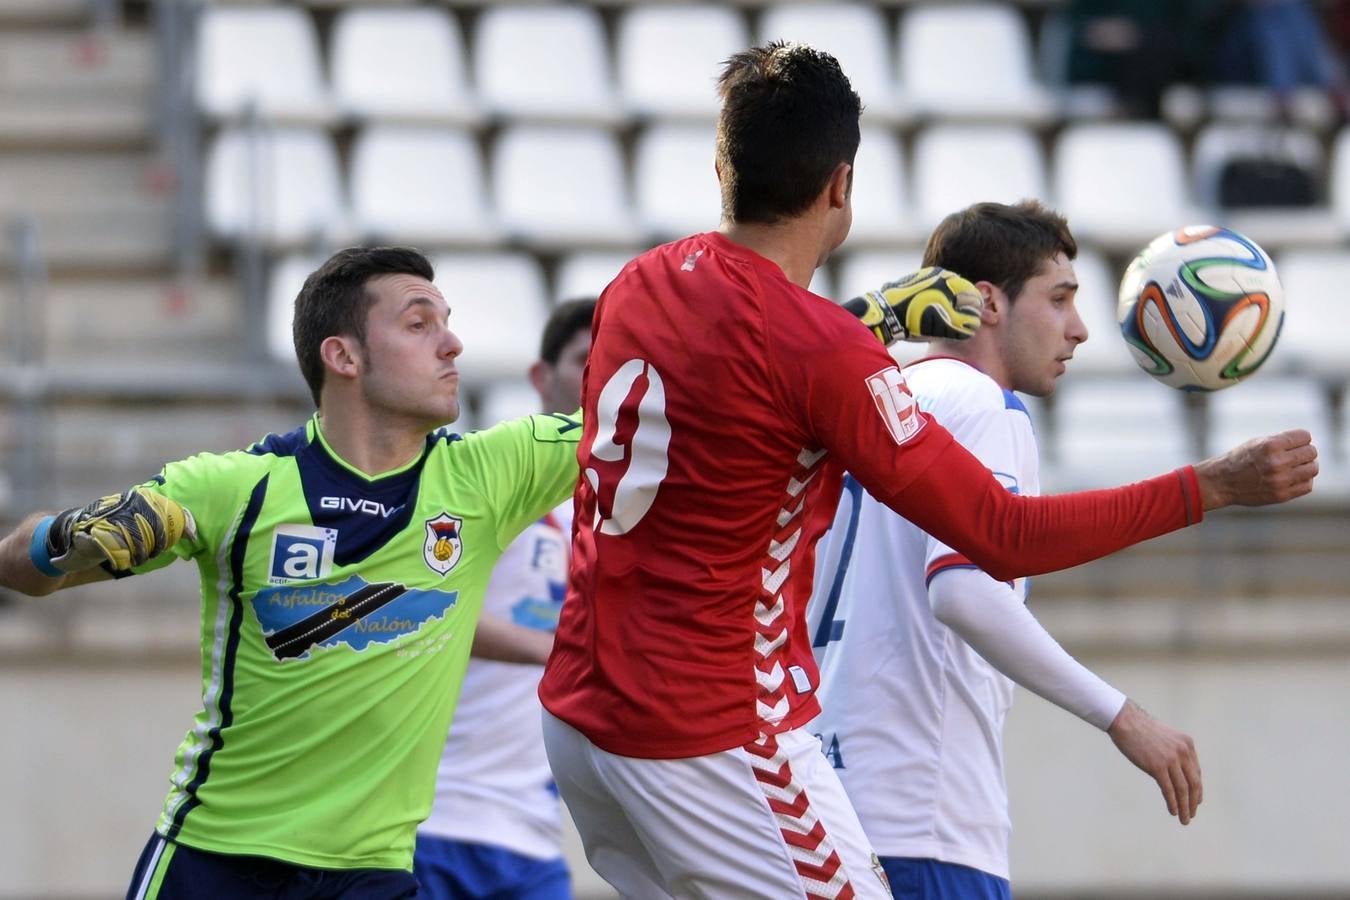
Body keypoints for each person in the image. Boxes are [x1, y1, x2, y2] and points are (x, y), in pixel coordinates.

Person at [535, 42, 1317, 900]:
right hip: (710, 726)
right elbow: (1002, 537)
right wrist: (1207, 486)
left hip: (581, 713)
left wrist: (865, 318)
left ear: (722, 165)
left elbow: (744, 376)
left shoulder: (641, 282)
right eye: (1060, 300)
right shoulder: (841, 356)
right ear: (842, 184)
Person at [0, 247, 583, 898]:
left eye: (446, 321)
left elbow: (650, 419)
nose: (453, 345)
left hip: (375, 874)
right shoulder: (235, 487)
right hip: (214, 862)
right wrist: (66, 536)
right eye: (420, 325)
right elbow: (18, 566)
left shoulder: (490, 475)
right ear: (344, 357)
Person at [808, 200, 1202, 900]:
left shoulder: (867, 408)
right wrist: (1124, 716)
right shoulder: (982, 405)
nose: (1078, 329)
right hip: (925, 820)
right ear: (988, 302)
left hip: (828, 805)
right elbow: (962, 589)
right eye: (1059, 299)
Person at [414, 298, 595, 900]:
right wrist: (558, 650)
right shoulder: (490, 488)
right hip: (436, 818)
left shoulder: (620, 511)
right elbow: (418, 611)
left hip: (534, 834)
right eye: (585, 362)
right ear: (541, 378)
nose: (603, 379)